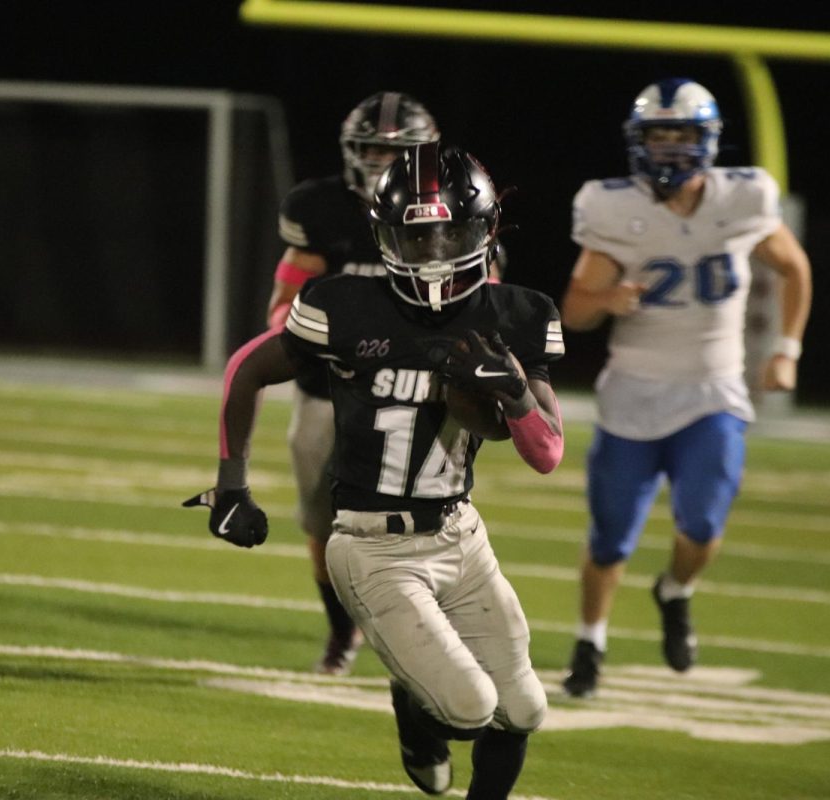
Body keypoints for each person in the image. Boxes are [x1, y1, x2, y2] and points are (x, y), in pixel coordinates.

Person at [188, 142, 565, 798]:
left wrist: (516, 395)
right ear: (387, 237)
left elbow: (547, 454)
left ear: (484, 232)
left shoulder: (516, 315)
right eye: (418, 236)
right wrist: (232, 483)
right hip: (372, 544)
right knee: (469, 707)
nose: (437, 252)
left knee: (525, 708)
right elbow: (249, 368)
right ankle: (413, 710)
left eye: (452, 232)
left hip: (460, 535)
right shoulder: (345, 305)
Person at [559, 78, 812, 698]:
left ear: (708, 142)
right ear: (637, 143)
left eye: (682, 136)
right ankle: (590, 642)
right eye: (658, 136)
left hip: (713, 393)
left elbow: (794, 267)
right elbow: (573, 309)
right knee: (610, 537)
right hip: (633, 393)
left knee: (701, 526)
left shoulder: (744, 197)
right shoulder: (614, 206)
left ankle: (675, 590)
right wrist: (607, 300)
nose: (670, 149)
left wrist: (787, 350)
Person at [267, 91, 439, 675]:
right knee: (322, 520)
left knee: (422, 522)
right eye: (369, 149)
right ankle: (343, 631)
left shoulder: (447, 211)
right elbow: (283, 307)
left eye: (396, 153)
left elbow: (480, 298)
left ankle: (422, 635)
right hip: (329, 387)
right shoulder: (321, 210)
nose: (380, 163)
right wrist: (319, 336)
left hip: (414, 395)